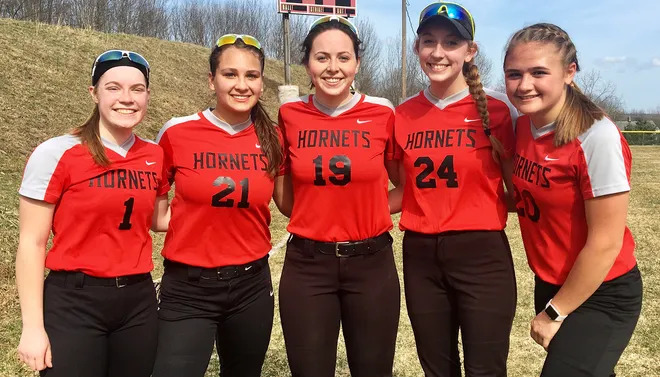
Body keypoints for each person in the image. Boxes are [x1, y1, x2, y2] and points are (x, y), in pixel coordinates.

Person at [16, 50, 167, 377]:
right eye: (113, 87)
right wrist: (32, 328)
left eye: (137, 89)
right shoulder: (57, 153)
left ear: (147, 95)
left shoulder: (154, 155)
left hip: (137, 302)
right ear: (94, 92)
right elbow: (31, 242)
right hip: (75, 302)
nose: (126, 98)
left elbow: (159, 219)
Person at [503, 23, 642, 377]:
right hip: (550, 282)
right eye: (514, 74)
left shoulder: (596, 136)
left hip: (601, 292)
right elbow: (526, 198)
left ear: (569, 72)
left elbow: (605, 243)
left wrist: (554, 312)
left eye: (538, 72)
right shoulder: (524, 126)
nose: (524, 85)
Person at [388, 2, 519, 376]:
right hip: (421, 255)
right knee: (437, 369)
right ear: (417, 49)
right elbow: (404, 189)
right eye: (428, 41)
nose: (438, 52)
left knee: (486, 369)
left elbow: (516, 191)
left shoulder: (498, 110)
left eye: (451, 42)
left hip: (482, 254)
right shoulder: (403, 114)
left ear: (470, 51)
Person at [151, 34, 289, 377]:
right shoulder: (177, 132)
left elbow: (288, 203)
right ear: (211, 81)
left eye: (252, 76)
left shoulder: (274, 136)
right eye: (230, 74)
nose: (241, 85)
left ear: (261, 82)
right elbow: (156, 215)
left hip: (251, 286)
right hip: (188, 288)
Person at [277, 15, 400, 377]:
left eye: (343, 58)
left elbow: (406, 186)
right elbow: (284, 196)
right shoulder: (289, 114)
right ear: (307, 63)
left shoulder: (382, 111)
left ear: (357, 62)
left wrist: (367, 213)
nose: (333, 68)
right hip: (308, 264)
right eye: (322, 57)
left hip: (371, 262)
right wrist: (319, 214)